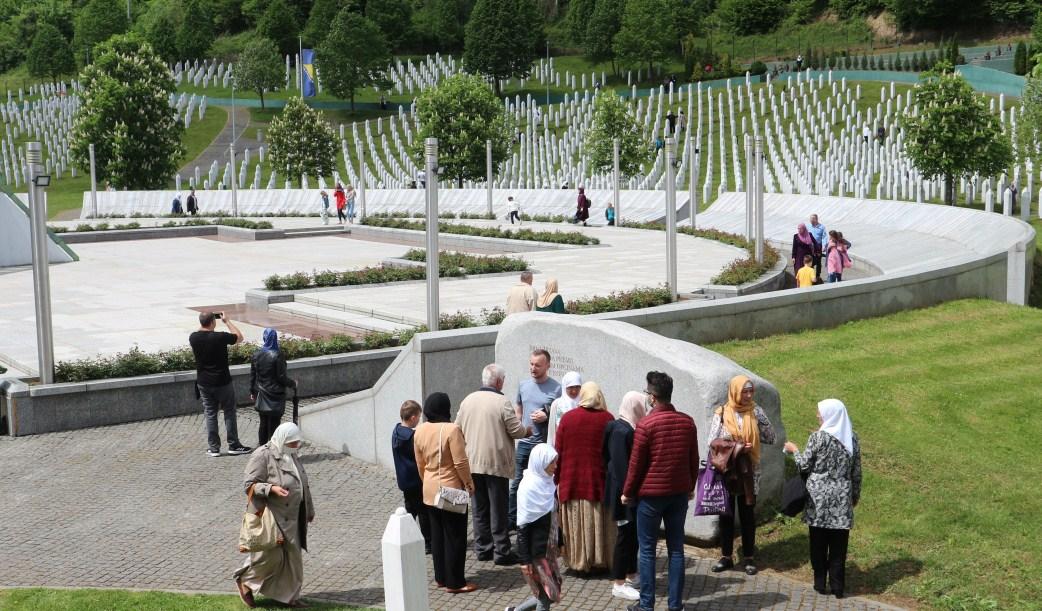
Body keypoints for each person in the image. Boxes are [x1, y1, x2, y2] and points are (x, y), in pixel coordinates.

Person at [621, 371, 699, 611]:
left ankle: (647, 606)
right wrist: (690, 487)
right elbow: (693, 460)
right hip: (677, 495)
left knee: (646, 550)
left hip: (651, 498)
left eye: (647, 393)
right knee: (676, 548)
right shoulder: (687, 422)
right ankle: (675, 606)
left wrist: (627, 492)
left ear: (653, 397)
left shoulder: (645, 425)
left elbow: (636, 466)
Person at [784, 399, 862, 599]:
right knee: (839, 545)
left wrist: (794, 450)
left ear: (829, 415)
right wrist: (854, 496)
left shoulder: (817, 438)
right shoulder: (852, 439)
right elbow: (856, 472)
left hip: (817, 499)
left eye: (820, 413)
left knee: (817, 542)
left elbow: (804, 466)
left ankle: (820, 582)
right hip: (842, 499)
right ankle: (838, 586)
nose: (818, 416)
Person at [455, 364, 531, 565]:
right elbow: (515, 431)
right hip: (496, 464)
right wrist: (528, 431)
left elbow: (457, 429)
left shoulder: (468, 400)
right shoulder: (502, 402)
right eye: (503, 380)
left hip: (472, 464)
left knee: (479, 508)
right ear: (498, 382)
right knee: (498, 508)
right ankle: (502, 552)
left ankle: (483, 549)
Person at [235, 422, 314, 609]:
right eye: (293, 443)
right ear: (283, 439)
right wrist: (271, 489)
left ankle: (289, 597)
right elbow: (249, 484)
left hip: (293, 516)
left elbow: (303, 484)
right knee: (269, 558)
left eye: (297, 443)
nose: (296, 446)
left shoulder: (292, 455)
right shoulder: (263, 455)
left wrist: (309, 510)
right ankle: (245, 580)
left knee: (293, 560)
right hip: (272, 517)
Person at [709, 375, 777, 576]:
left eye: (750, 391)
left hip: (749, 470)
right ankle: (726, 556)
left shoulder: (756, 411)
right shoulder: (722, 412)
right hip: (728, 471)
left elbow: (771, 437)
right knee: (726, 514)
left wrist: (757, 431)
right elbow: (711, 442)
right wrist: (736, 446)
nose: (748, 395)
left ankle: (749, 557)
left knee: (747, 514)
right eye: (744, 391)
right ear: (735, 392)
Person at [413, 392, 478, 593]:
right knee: (455, 536)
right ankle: (456, 582)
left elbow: (419, 462)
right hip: (451, 489)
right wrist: (469, 484)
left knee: (438, 536)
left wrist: (427, 481)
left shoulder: (420, 430)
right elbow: (460, 462)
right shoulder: (452, 429)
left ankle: (441, 578)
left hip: (430, 488)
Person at [554, 381, 616, 573]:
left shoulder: (567, 419)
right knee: (598, 522)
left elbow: (559, 451)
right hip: (598, 480)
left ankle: (577, 562)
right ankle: (600, 560)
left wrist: (556, 478)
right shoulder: (608, 418)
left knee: (575, 524)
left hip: (570, 480)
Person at [506, 444, 563, 611]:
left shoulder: (548, 483)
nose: (555, 466)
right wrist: (524, 560)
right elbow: (522, 528)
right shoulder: (528, 488)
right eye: (551, 462)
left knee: (550, 592)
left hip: (548, 549)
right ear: (540, 462)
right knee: (546, 596)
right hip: (537, 553)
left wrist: (561, 542)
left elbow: (554, 517)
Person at [510, 349, 562, 529]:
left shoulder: (557, 388)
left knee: (546, 483)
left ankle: (544, 518)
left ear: (547, 366)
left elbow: (560, 415)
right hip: (524, 444)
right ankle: (513, 521)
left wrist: (546, 416)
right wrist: (520, 423)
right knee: (517, 483)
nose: (533, 368)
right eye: (531, 364)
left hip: (543, 446)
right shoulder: (523, 385)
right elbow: (518, 405)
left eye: (538, 365)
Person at [604, 391, 646, 601]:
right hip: (624, 494)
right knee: (625, 536)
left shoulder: (615, 425)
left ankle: (631, 573)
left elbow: (606, 457)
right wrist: (629, 492)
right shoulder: (624, 431)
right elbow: (623, 467)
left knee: (631, 534)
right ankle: (618, 582)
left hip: (620, 490)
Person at [190, 312, 251, 457]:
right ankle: (234, 445)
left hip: (204, 383)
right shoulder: (220, 337)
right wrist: (227, 321)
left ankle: (214, 448)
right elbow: (239, 337)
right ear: (213, 322)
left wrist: (205, 321)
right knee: (229, 412)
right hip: (222, 381)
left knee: (210, 414)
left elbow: (201, 330)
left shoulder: (193, 337)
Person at [392, 399, 432, 554]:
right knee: (423, 512)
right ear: (413, 417)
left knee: (410, 510)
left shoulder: (396, 432)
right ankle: (428, 542)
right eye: (419, 416)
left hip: (404, 480)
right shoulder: (412, 437)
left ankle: (406, 536)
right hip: (416, 480)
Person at [249, 327, 297, 447]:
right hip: (275, 395)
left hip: (262, 393)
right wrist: (293, 384)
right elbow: (281, 377)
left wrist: (252, 391)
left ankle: (262, 448)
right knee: (274, 424)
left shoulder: (256, 355)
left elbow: (252, 376)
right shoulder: (278, 355)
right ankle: (273, 448)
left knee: (263, 423)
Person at [547, 371, 582, 446]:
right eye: (571, 387)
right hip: (561, 446)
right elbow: (552, 429)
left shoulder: (583, 403)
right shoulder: (557, 404)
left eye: (577, 387)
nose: (574, 391)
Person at [808, 214, 827, 282]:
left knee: (818, 262)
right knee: (811, 261)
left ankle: (818, 276)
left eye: (812, 219)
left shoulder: (821, 227)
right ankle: (811, 275)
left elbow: (824, 237)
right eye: (810, 219)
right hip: (810, 247)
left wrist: (824, 246)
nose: (811, 221)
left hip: (818, 246)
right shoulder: (808, 226)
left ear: (816, 219)